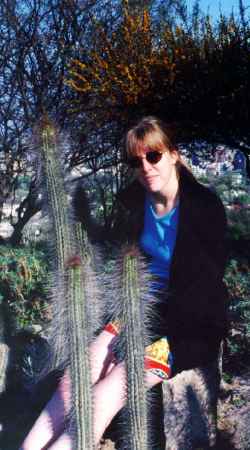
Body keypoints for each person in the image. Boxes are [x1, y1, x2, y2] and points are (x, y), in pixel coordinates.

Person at [20, 116, 228, 449]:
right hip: (132, 311)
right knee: (73, 381)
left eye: (154, 155)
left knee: (104, 396)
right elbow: (114, 263)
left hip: (185, 329)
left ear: (173, 154)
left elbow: (203, 293)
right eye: (136, 159)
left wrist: (142, 342)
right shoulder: (133, 202)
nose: (145, 166)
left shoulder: (205, 208)